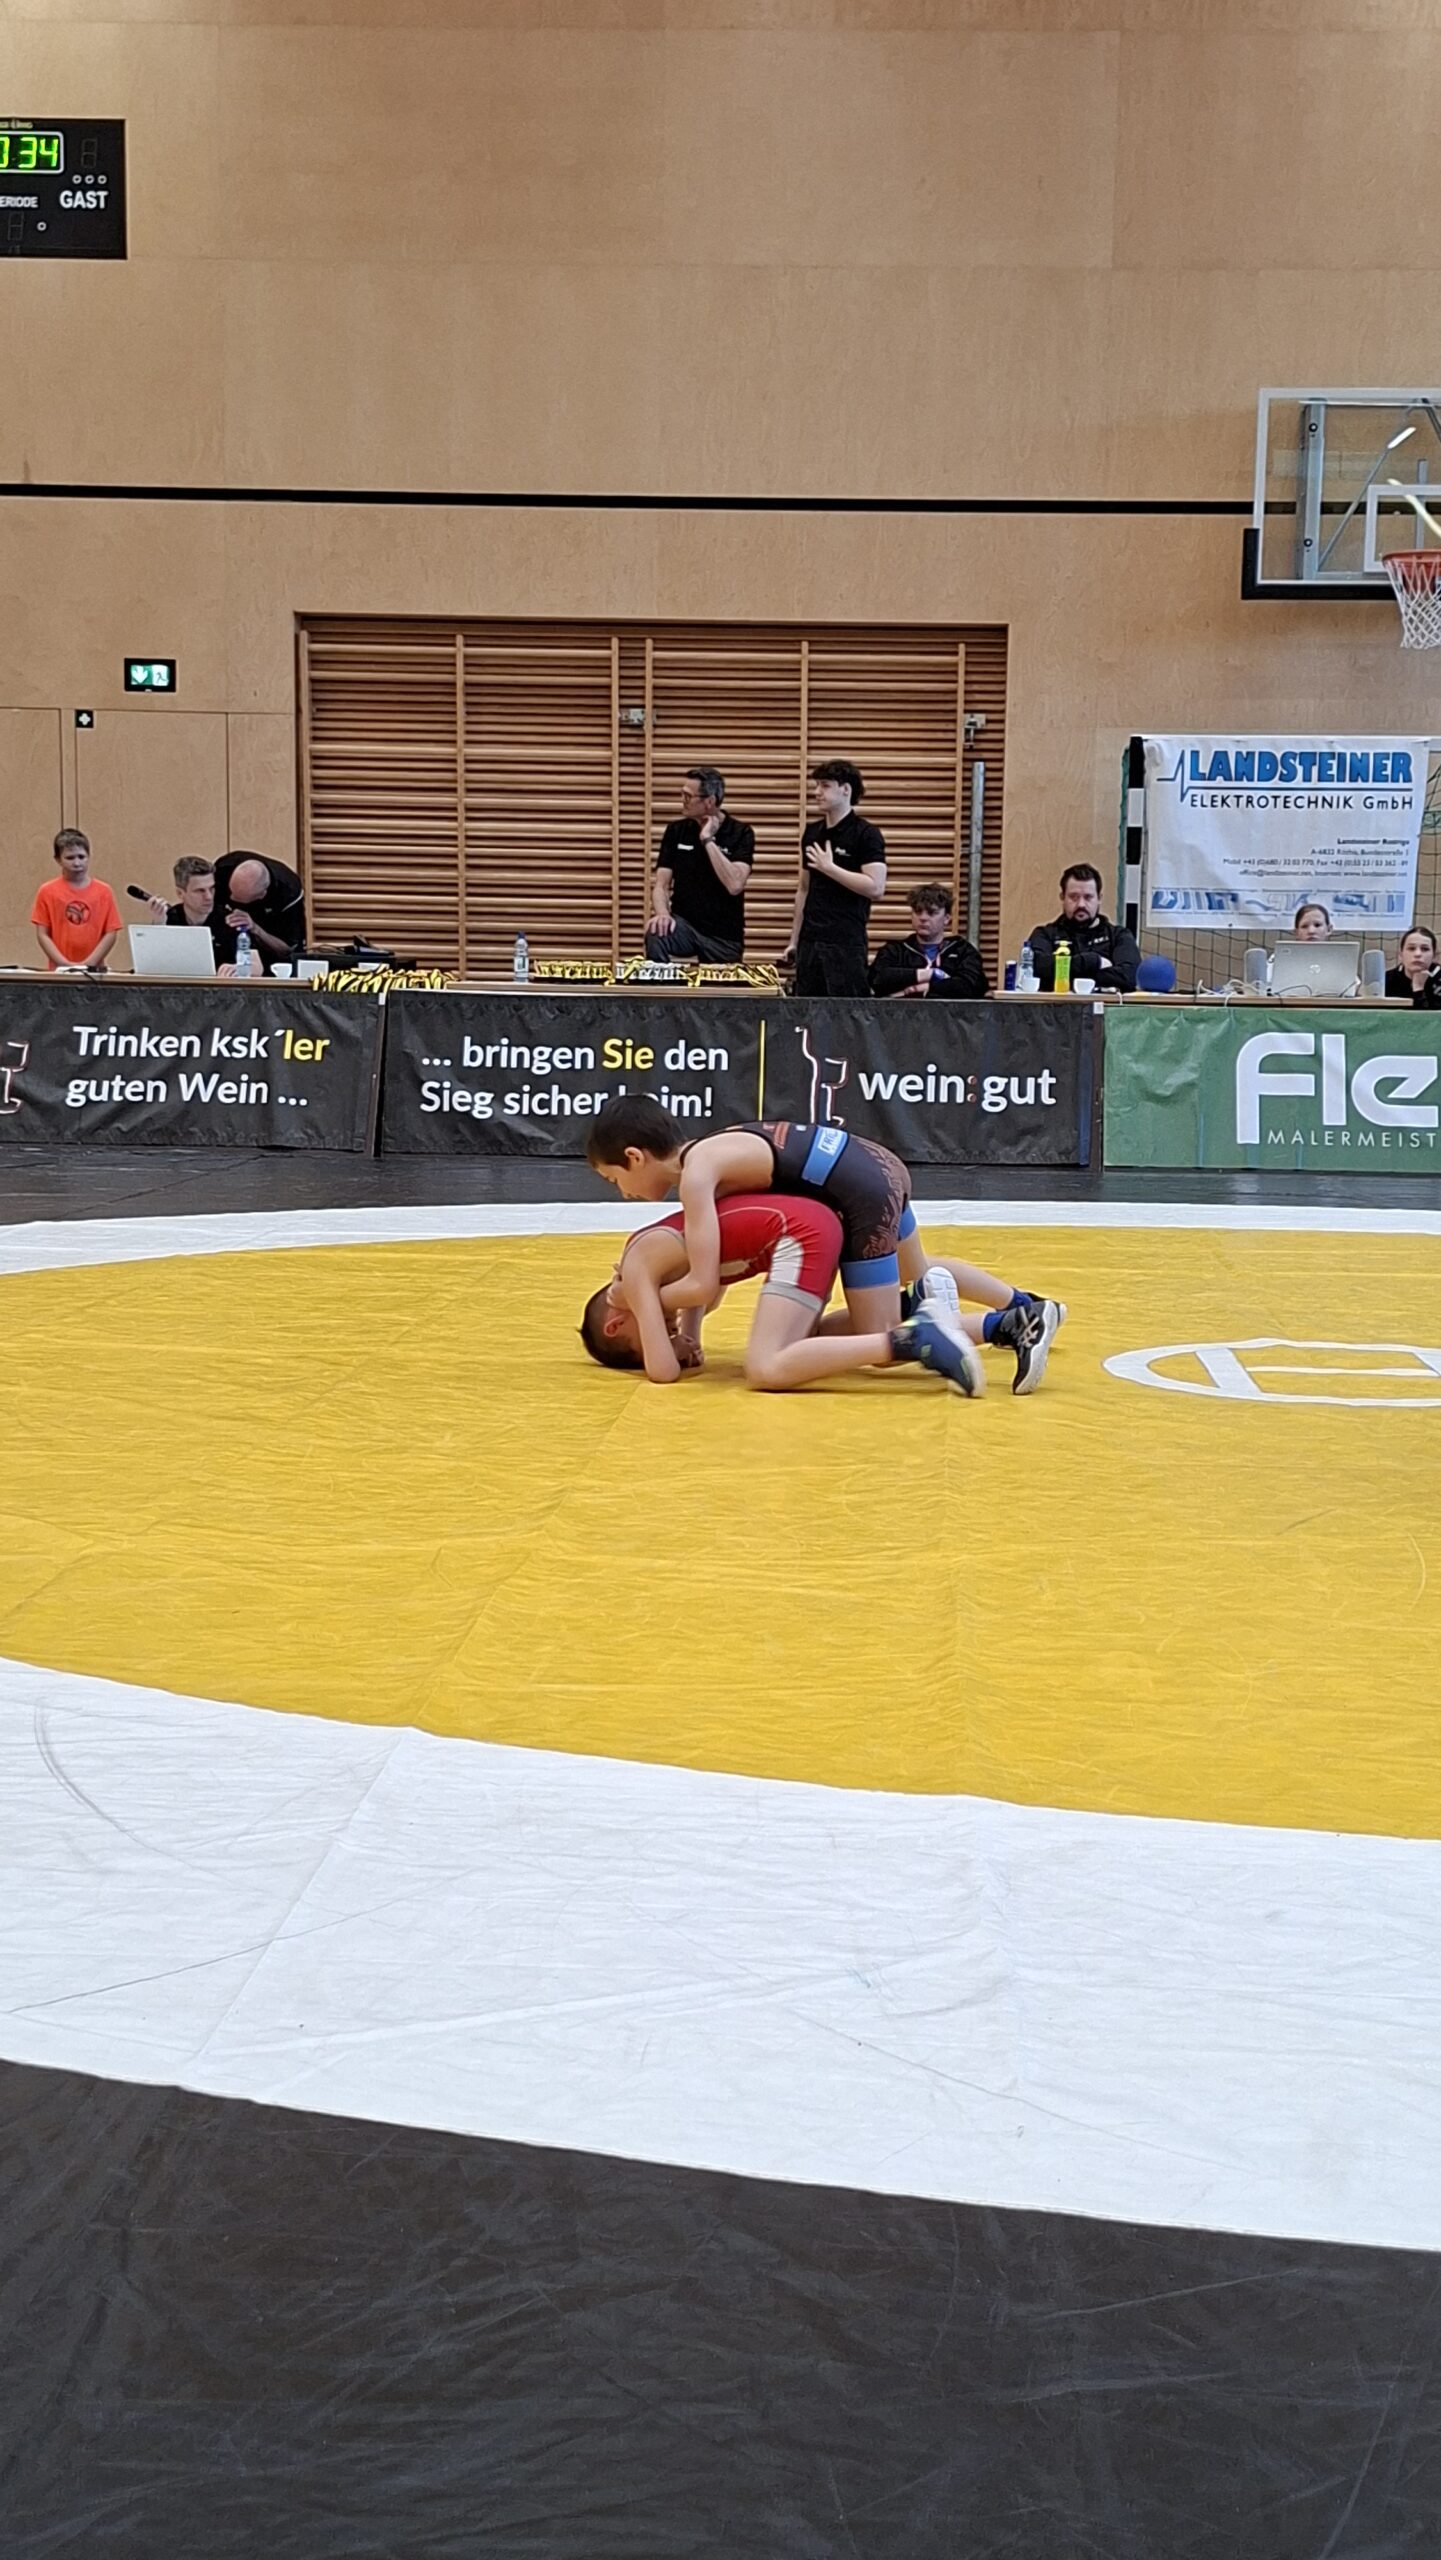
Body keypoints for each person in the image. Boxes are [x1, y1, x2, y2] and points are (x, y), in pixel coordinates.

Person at [585, 1094, 1061, 1393]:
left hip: (859, 1193)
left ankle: (1007, 1323)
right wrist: (685, 1325)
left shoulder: (697, 1179)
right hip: (872, 1165)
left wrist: (641, 1297)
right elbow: (712, 1265)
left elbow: (703, 1283)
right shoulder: (714, 1149)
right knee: (915, 1273)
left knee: (879, 1332)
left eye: (613, 1179)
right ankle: (1023, 1304)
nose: (622, 1193)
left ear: (635, 1157)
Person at [782, 761, 886, 998]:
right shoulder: (812, 833)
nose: (817, 792)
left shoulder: (866, 833)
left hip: (845, 942)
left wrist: (830, 868)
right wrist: (794, 940)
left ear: (846, 789)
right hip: (810, 941)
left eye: (825, 786)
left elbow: (876, 887)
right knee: (807, 1009)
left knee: (846, 1012)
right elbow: (804, 889)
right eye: (817, 785)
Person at [645, 768, 754, 962]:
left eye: (688, 796)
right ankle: (662, 980)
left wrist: (707, 840)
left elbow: (735, 885)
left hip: (723, 935)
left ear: (709, 801)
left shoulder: (740, 832)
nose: (683, 800)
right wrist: (662, 914)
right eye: (682, 794)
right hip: (684, 926)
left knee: (724, 979)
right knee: (656, 932)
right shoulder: (676, 831)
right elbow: (661, 885)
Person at [1027, 864, 1140, 993]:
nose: (1081, 904)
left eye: (1088, 897)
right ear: (1062, 898)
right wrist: (1094, 961)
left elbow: (1129, 977)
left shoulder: (1118, 936)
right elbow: (1037, 970)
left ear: (1099, 899)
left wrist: (1064, 974)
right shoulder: (1045, 935)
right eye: (1073, 897)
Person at [869, 883, 988, 1000]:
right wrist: (931, 974)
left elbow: (970, 986)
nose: (923, 918)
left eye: (931, 913)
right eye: (918, 911)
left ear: (946, 918)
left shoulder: (963, 951)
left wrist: (921, 989)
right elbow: (878, 979)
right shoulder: (894, 950)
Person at [31, 831, 121, 973]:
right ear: (58, 860)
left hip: (94, 971)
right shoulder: (47, 891)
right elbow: (43, 934)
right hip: (59, 971)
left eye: (81, 857)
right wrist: (64, 964)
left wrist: (88, 963)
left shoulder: (104, 891)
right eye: (70, 858)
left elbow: (111, 932)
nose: (77, 863)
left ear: (88, 857)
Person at [209, 850, 306, 973]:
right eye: (231, 892)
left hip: (269, 956)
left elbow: (287, 950)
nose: (231, 898)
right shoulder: (224, 867)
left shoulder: (289, 893)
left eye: (239, 899)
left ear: (262, 895)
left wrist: (255, 929)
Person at [147, 858, 217, 932]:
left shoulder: (224, 920)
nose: (209, 897)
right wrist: (159, 925)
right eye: (200, 890)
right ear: (180, 893)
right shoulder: (169, 918)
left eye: (211, 888)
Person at [1385, 924, 1441, 1008]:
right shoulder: (1386, 980)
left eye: (1425, 949)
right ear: (1401, 954)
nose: (1418, 954)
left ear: (1434, 956)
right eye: (1411, 948)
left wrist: (1419, 989)